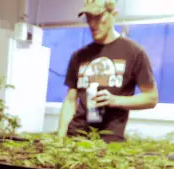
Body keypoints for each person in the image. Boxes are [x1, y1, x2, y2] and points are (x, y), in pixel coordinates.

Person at [58, 0, 158, 143]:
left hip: (110, 139)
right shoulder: (79, 56)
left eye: (98, 17)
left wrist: (115, 100)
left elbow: (151, 98)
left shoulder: (134, 53)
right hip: (76, 135)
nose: (92, 24)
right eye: (88, 18)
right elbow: (70, 99)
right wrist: (61, 138)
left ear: (113, 14)